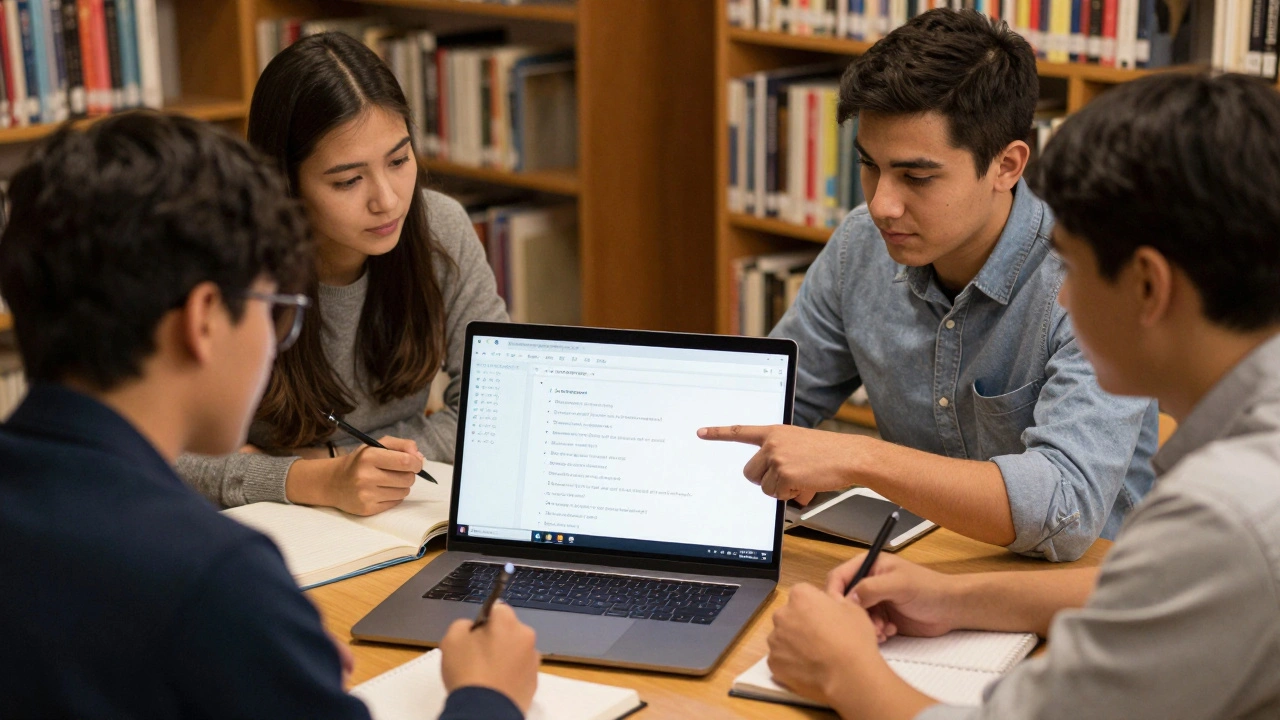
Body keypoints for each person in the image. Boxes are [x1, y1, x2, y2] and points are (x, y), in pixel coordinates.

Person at [764, 71, 1280, 719]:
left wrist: (845, 673)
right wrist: (956, 600)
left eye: (1078, 268)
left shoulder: (1223, 514)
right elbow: (1147, 593)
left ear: (1148, 286)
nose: (1064, 296)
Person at [0, 112, 537, 719]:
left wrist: (269, 662)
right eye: (276, 308)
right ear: (204, 320)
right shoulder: (217, 579)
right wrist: (487, 696)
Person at [700, 9, 1156, 561]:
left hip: (1078, 593)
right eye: (870, 166)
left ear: (1007, 166)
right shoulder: (858, 247)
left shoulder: (1090, 277)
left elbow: (1066, 508)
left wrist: (862, 459)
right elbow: (769, 413)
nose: (881, 204)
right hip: (922, 572)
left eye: (917, 177)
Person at [178, 32, 508, 516]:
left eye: (399, 160)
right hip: (271, 525)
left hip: (401, 512)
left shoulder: (440, 228)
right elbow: (160, 450)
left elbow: (493, 413)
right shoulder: (228, 259)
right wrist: (312, 479)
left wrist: (339, 463)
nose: (387, 199)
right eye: (348, 180)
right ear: (284, 182)